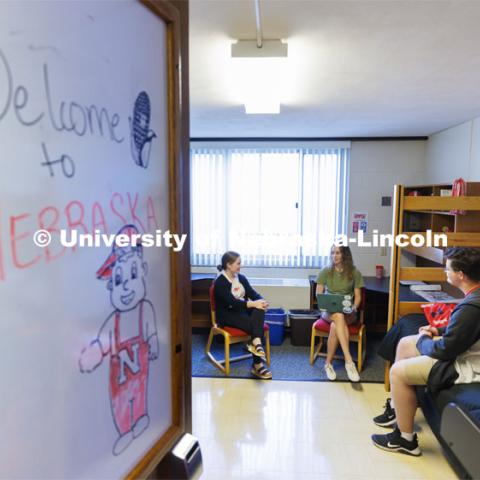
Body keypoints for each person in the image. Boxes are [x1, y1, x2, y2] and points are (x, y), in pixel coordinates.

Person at [371, 247, 480, 456]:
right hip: (464, 350)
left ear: (461, 275)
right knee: (404, 343)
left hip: (466, 364)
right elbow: (463, 331)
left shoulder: (471, 307)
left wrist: (423, 340)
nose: (445, 273)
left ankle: (405, 439)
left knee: (397, 372)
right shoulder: (473, 298)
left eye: (447, 269)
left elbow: (445, 350)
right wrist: (437, 330)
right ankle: (397, 408)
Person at [214, 251, 272, 380]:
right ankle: (257, 364)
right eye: (238, 263)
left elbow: (253, 294)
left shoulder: (241, 278)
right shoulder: (220, 282)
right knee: (256, 325)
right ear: (229, 265)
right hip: (226, 315)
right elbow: (233, 303)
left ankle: (256, 342)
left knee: (259, 309)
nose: (241, 266)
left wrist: (262, 302)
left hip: (241, 312)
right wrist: (254, 304)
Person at [316, 245, 364, 382]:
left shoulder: (354, 272)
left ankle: (328, 364)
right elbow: (318, 295)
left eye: (337, 253)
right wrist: (325, 307)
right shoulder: (325, 271)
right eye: (332, 253)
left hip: (348, 312)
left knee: (336, 324)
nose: (334, 256)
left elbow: (358, 297)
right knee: (338, 316)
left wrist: (354, 308)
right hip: (328, 312)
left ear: (345, 255)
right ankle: (349, 362)